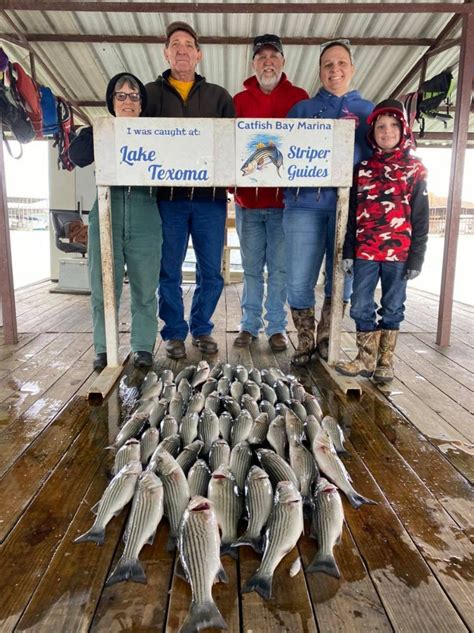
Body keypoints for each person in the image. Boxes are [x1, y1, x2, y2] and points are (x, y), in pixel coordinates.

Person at [144, 21, 235, 360]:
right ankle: (174, 332)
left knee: (211, 271)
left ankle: (201, 327)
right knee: (168, 269)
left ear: (199, 55)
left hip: (210, 201)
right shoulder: (150, 95)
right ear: (166, 53)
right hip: (168, 200)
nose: (181, 49)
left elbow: (231, 147)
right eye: (175, 44)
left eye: (188, 44)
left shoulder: (219, 97)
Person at [283, 39, 374, 366]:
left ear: (352, 68)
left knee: (342, 277)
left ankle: (327, 336)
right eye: (328, 65)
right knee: (297, 277)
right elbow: (279, 157)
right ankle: (305, 339)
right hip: (303, 206)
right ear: (320, 71)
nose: (335, 70)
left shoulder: (369, 112)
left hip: (349, 211)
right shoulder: (302, 111)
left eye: (341, 64)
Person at [69, 73, 162, 372]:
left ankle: (143, 347)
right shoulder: (99, 130)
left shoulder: (155, 133)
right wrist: (98, 131)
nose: (127, 101)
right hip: (108, 207)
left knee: (145, 286)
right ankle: (104, 347)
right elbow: (77, 156)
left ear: (141, 103)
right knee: (103, 285)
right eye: (120, 95)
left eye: (134, 96)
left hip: (146, 209)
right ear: (111, 101)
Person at [336, 99, 429, 383]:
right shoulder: (362, 169)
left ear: (403, 130)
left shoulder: (415, 170)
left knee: (393, 305)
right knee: (360, 304)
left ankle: (385, 362)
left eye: (392, 126)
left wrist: (417, 258)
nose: (386, 131)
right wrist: (348, 251)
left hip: (399, 254)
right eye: (380, 126)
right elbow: (351, 215)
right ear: (372, 132)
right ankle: (365, 358)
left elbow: (421, 218)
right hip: (365, 251)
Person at [233, 34, 308, 352]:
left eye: (273, 56)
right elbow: (229, 147)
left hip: (284, 205)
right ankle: (249, 325)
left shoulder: (299, 98)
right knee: (250, 269)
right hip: (247, 204)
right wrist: (232, 184)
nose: (267, 62)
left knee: (279, 269)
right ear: (253, 63)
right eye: (261, 57)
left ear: (282, 61)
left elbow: (308, 145)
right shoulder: (238, 101)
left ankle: (276, 327)